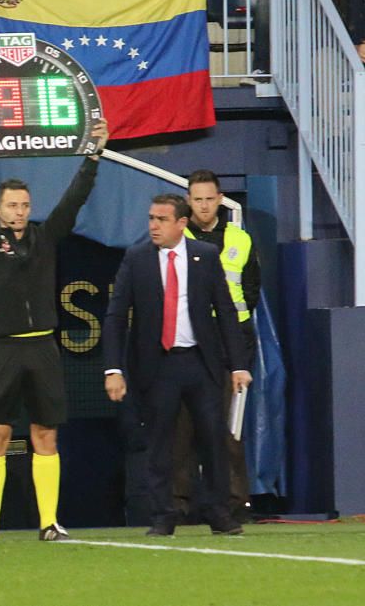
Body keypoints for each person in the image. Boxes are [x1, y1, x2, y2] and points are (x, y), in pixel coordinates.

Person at [0, 119, 109, 542]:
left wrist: (93, 157)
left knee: (45, 434)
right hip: (2, 351)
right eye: (12, 205)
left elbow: (73, 201)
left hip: (43, 350)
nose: (19, 211)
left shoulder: (46, 238)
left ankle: (49, 522)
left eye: (24, 205)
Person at [102, 193, 253, 537]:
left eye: (162, 219)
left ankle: (219, 512)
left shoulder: (206, 256)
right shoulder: (137, 258)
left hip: (201, 363)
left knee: (214, 439)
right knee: (160, 442)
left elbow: (226, 312)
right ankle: (163, 514)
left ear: (181, 224)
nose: (153, 226)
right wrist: (113, 368)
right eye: (151, 218)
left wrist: (238, 364)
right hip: (158, 365)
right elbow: (115, 315)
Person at [173, 169, 260, 524]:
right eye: (198, 199)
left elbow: (250, 291)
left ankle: (234, 504)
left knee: (229, 431)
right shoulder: (176, 238)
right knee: (181, 429)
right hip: (189, 342)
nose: (205, 205)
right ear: (189, 201)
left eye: (210, 199)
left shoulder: (241, 238)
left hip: (231, 343)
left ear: (220, 199)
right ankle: (177, 505)